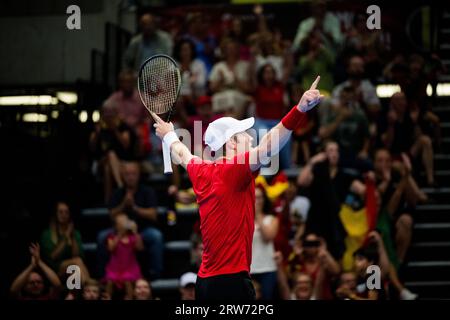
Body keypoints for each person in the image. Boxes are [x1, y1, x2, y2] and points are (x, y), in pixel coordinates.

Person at [150, 76, 323, 300]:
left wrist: (169, 135)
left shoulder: (201, 170)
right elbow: (268, 145)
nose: (251, 141)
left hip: (205, 283)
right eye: (245, 137)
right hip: (231, 282)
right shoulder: (235, 168)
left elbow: (182, 154)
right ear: (231, 143)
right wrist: (299, 109)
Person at [97, 162, 163, 280]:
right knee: (102, 236)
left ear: (138, 175)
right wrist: (123, 205)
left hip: (142, 230)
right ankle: (103, 275)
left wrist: (134, 208)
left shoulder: (147, 191)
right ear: (122, 176)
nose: (130, 177)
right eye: (127, 174)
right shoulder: (118, 193)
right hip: (119, 231)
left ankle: (155, 274)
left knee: (156, 236)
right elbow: (111, 215)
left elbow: (153, 215)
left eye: (133, 174)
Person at [380, 92, 435, 186]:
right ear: (392, 103)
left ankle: (430, 179)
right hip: (393, 155)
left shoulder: (409, 116)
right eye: (398, 100)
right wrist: (391, 125)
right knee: (400, 167)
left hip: (408, 152)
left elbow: (418, 137)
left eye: (403, 99)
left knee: (425, 140)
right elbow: (387, 145)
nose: (401, 102)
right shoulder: (385, 117)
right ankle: (416, 193)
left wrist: (415, 123)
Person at [89, 101, 138, 202]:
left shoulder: (122, 126)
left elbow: (126, 144)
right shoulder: (98, 127)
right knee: (110, 156)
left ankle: (108, 200)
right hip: (100, 164)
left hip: (121, 163)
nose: (108, 116)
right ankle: (120, 186)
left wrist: (115, 130)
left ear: (116, 113)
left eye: (111, 113)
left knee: (108, 168)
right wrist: (97, 134)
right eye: (106, 113)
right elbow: (91, 148)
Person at [251, 63, 291, 169]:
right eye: (266, 72)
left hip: (277, 121)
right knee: (264, 134)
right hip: (261, 121)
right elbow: (251, 73)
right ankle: (263, 169)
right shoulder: (258, 88)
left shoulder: (280, 87)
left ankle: (287, 169)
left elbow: (288, 69)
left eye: (271, 72)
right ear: (262, 75)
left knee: (286, 136)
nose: (269, 75)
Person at [40, 201, 90, 283]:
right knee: (76, 262)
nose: (63, 215)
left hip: (72, 268)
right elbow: (53, 257)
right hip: (54, 269)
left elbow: (77, 255)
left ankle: (76, 293)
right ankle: (88, 286)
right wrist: (66, 236)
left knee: (75, 269)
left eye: (66, 212)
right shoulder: (47, 234)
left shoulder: (75, 233)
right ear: (55, 214)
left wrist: (72, 236)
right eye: (60, 212)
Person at [105, 70, 151, 158]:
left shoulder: (141, 98)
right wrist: (115, 118)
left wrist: (142, 131)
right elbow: (105, 110)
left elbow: (148, 119)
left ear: (133, 82)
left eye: (129, 81)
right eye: (123, 82)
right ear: (119, 83)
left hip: (137, 133)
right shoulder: (115, 98)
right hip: (120, 132)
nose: (126, 84)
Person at [105, 213, 144, 300]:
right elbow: (111, 248)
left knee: (128, 280)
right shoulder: (111, 236)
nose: (124, 223)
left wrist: (136, 232)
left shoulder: (133, 237)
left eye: (126, 220)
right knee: (110, 281)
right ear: (116, 225)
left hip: (130, 266)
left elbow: (140, 248)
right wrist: (120, 234)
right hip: (115, 267)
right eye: (121, 222)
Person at [250, 186, 279, 300]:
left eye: (260, 197)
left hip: (267, 268)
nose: (257, 200)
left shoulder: (272, 219)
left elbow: (268, 236)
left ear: (264, 199)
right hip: (248, 269)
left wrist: (257, 215)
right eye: (254, 197)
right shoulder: (242, 219)